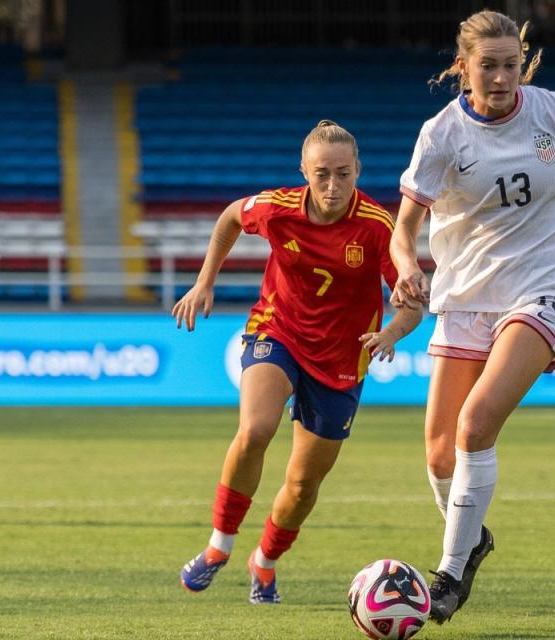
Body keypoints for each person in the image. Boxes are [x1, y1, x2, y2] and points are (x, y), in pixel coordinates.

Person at [390, 10, 555, 624]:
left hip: (544, 289)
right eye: (487, 66)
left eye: (510, 64)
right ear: (462, 68)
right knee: (440, 456)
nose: (501, 78)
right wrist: (406, 268)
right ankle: (472, 540)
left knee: (476, 425)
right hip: (466, 297)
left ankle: (448, 577)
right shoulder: (441, 135)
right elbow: (403, 231)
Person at [173, 120, 422, 603]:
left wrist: (392, 331)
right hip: (278, 330)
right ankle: (218, 547)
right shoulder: (277, 208)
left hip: (341, 359)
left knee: (303, 484)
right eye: (322, 173)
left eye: (343, 174)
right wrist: (205, 281)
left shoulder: (377, 227)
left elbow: (411, 302)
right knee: (255, 430)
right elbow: (229, 217)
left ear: (358, 171)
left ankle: (264, 562)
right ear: (304, 172)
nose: (333, 185)